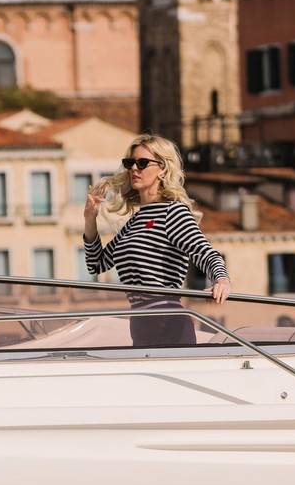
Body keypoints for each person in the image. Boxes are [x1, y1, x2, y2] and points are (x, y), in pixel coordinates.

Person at [83, 134, 231, 346]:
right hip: (140, 323)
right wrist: (90, 219)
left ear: (163, 169)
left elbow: (204, 252)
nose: (134, 169)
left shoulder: (173, 211)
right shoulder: (135, 221)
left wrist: (222, 279)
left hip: (167, 320)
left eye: (142, 163)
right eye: (130, 163)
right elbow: (96, 263)